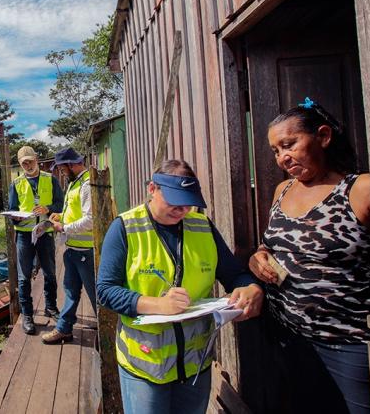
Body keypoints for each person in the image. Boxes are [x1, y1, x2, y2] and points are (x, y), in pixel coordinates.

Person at [97, 159, 263, 414]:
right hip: (145, 368)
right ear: (152, 189)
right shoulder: (124, 228)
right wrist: (157, 305)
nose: (182, 208)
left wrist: (250, 287)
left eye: (188, 201)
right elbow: (105, 291)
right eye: (174, 199)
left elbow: (234, 275)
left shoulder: (202, 227)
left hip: (195, 366)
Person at [248, 98, 370, 414]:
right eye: (276, 151)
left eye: (289, 144)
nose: (282, 157)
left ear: (322, 136)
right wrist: (258, 259)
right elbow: (271, 247)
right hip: (289, 337)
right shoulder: (283, 191)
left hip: (347, 343)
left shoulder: (361, 189)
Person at [42, 147, 96, 344]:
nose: (61, 172)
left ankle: (113, 331)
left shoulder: (87, 184)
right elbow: (77, 214)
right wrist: (60, 217)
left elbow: (91, 220)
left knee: (96, 294)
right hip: (73, 249)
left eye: (62, 168)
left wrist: (63, 227)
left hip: (87, 252)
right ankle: (64, 329)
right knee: (71, 291)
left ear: (71, 164)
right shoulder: (76, 183)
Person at [9, 145, 64, 335]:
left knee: (50, 273)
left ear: (37, 160)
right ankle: (27, 315)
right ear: (20, 164)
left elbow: (60, 204)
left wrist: (48, 208)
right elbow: (11, 209)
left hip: (45, 232)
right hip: (24, 235)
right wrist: (15, 216)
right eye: (24, 163)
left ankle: (51, 307)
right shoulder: (16, 183)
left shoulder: (51, 179)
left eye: (31, 161)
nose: (28, 165)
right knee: (24, 277)